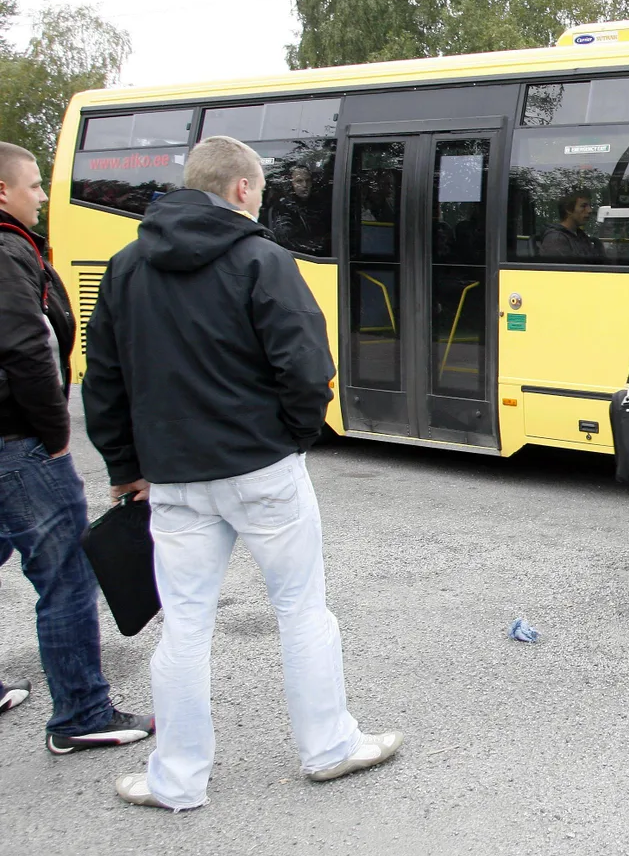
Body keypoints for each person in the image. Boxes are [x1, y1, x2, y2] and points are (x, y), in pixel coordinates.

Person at [83, 136, 402, 809]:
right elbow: (307, 368)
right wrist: (290, 439)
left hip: (171, 480)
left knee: (185, 625)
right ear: (238, 190)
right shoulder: (263, 260)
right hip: (263, 470)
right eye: (258, 188)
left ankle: (177, 780)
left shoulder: (126, 268)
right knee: (303, 610)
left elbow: (104, 380)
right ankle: (329, 747)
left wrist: (126, 467)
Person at [0, 140, 156, 754]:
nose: (44, 195)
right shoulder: (10, 251)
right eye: (35, 184)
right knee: (66, 578)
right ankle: (82, 713)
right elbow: (25, 348)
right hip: (19, 443)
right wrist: (57, 433)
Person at [266, 163, 331, 256]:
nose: (305, 185)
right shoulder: (283, 207)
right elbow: (284, 238)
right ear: (291, 184)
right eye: (299, 181)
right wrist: (315, 245)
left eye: (308, 180)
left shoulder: (320, 204)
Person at [538, 192, 605, 261]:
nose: (589, 210)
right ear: (568, 210)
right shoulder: (556, 239)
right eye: (583, 206)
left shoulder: (581, 236)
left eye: (589, 206)